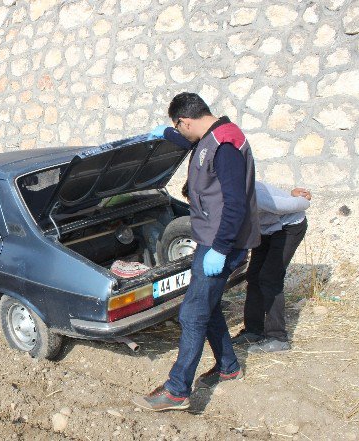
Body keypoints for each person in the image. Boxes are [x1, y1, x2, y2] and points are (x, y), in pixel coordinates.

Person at [133, 92, 261, 411]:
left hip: (222, 243)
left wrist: (219, 249)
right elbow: (191, 144)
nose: (180, 133)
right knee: (210, 306)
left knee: (191, 313)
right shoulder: (209, 135)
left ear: (185, 120)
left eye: (178, 127)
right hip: (213, 239)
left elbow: (235, 203)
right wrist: (164, 135)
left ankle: (177, 391)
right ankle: (228, 367)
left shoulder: (225, 146)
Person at [231, 181, 310, 353]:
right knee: (253, 276)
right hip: (265, 230)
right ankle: (254, 330)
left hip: (289, 227)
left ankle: (278, 338)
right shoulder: (224, 194)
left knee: (269, 278)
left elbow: (299, 204)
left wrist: (302, 197)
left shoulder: (255, 196)